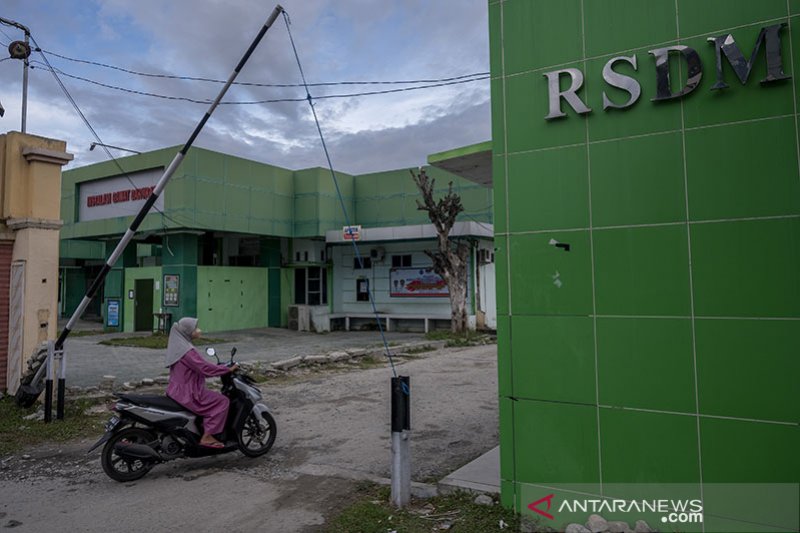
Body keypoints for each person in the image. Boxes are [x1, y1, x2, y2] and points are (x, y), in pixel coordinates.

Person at [165, 317, 237, 448]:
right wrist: (226, 369)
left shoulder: (179, 346)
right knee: (222, 401)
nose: (199, 330)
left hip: (175, 390)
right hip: (189, 393)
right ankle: (207, 436)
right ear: (187, 332)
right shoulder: (187, 351)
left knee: (212, 396)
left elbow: (200, 365)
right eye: (195, 328)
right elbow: (204, 368)